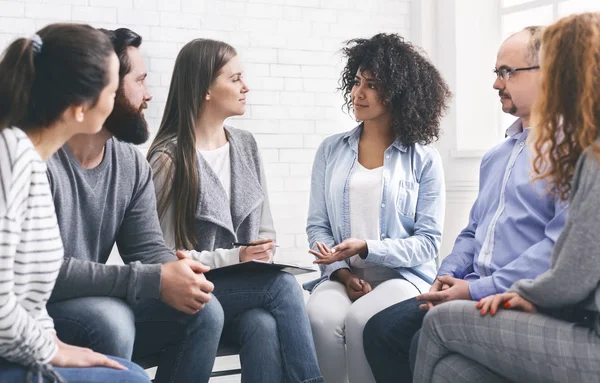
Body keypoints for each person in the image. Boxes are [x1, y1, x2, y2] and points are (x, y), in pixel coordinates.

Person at [362, 25, 569, 382]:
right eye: (496, 73)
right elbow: (473, 231)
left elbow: (555, 248)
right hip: (467, 287)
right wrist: (448, 276)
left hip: (513, 297)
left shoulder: (570, 153)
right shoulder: (496, 157)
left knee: (416, 342)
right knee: (380, 330)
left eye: (507, 72)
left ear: (547, 75)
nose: (496, 83)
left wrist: (473, 290)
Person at [414, 12, 600, 383]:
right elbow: (474, 231)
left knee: (435, 324)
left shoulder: (590, 155)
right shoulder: (503, 154)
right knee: (452, 372)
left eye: (556, 70)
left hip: (587, 333)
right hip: (569, 310)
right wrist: (452, 276)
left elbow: (574, 267)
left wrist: (519, 293)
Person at [45, 28, 222, 383]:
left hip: (90, 295)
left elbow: (145, 247)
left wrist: (179, 271)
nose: (149, 94)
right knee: (110, 318)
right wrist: (152, 278)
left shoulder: (131, 164)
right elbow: (43, 272)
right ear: (100, 88)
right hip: (39, 306)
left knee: (206, 312)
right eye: (139, 81)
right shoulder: (41, 158)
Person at [147, 38, 323, 383]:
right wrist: (236, 257)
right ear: (206, 90)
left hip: (243, 288)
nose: (246, 87)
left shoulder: (245, 145)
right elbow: (163, 258)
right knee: (284, 288)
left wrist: (260, 253)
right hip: (192, 292)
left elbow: (265, 229)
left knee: (263, 325)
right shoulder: (168, 160)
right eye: (235, 78)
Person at [0, 23, 149, 382]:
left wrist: (54, 343)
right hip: (12, 353)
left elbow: (29, 301)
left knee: (127, 372)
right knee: (131, 379)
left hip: (22, 345)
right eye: (112, 91)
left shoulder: (31, 161)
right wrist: (50, 349)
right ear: (81, 108)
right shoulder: (12, 155)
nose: (117, 101)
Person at [304, 33, 451, 383]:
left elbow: (428, 243)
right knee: (320, 318)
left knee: (361, 321)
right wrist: (341, 272)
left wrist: (369, 249)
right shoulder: (331, 150)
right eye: (356, 82)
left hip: (403, 277)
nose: (359, 93)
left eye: (372, 85)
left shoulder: (424, 160)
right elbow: (317, 225)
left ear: (399, 93)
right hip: (343, 276)